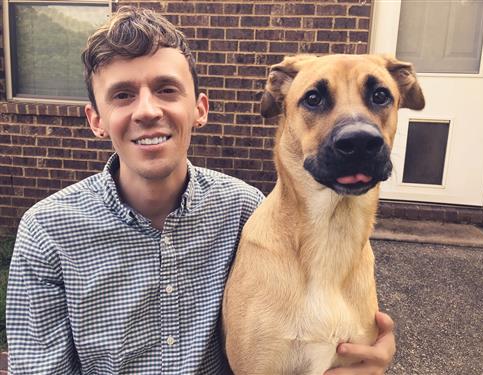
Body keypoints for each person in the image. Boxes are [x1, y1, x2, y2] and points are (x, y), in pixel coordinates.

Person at [6, 6, 395, 374]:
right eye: (123, 95)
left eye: (166, 90)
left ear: (200, 109)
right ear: (96, 120)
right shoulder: (48, 232)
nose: (147, 111)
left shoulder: (245, 212)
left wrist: (367, 357)